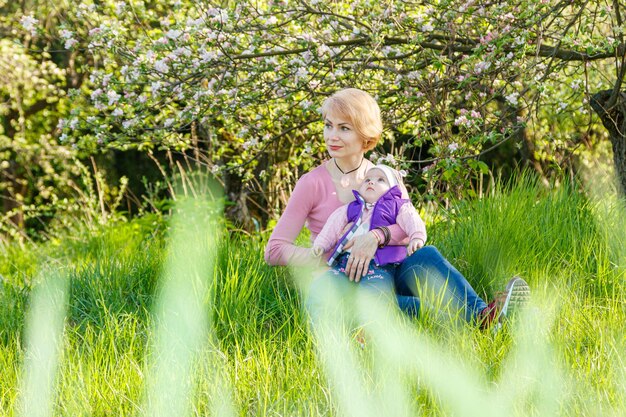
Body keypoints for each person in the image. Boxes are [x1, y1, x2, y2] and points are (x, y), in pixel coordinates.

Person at [264, 87, 529, 328]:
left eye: (344, 128)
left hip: (390, 268)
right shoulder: (312, 183)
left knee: (427, 256)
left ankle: (484, 315)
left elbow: (407, 223)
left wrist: (377, 236)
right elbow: (274, 250)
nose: (332, 136)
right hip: (344, 277)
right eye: (328, 126)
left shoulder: (383, 176)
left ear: (365, 135)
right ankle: (472, 326)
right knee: (399, 306)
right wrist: (326, 255)